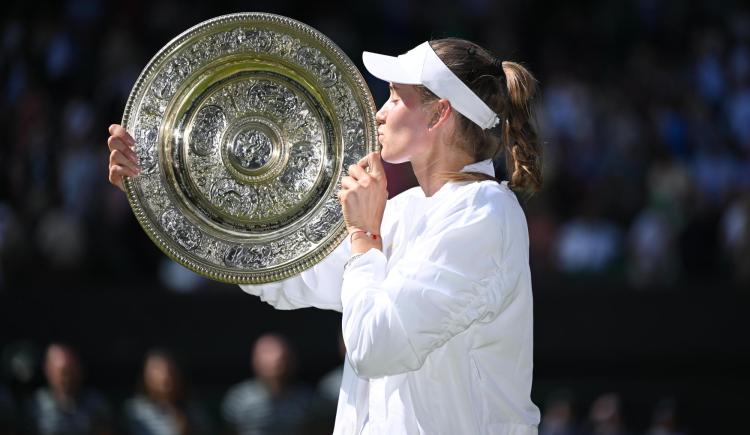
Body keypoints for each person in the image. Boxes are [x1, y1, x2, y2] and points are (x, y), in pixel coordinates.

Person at [107, 37, 542, 434]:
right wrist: (165, 187)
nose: (380, 112)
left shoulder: (483, 215)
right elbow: (288, 272)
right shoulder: (409, 210)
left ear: (439, 113)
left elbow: (377, 346)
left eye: (394, 98)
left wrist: (364, 234)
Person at [221, 333, 315, 435]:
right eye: (267, 354)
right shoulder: (239, 398)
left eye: (283, 357)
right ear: (255, 360)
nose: (275, 359)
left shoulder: (307, 400)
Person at [25, 343, 114, 435]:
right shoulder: (36, 405)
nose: (68, 378)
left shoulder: (95, 403)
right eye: (63, 372)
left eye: (72, 371)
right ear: (48, 370)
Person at [123, 349, 211, 435]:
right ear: (145, 375)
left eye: (170, 369)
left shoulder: (194, 410)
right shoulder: (134, 411)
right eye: (157, 369)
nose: (165, 375)